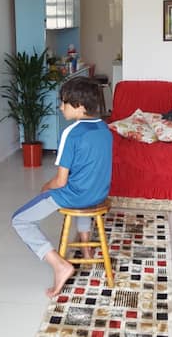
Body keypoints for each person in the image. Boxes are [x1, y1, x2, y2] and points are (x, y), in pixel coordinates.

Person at [11, 76, 113, 298]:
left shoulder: (71, 133)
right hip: (99, 194)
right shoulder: (105, 128)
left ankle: (59, 265)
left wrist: (45, 188)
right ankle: (86, 247)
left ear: (80, 106)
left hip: (76, 196)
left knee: (20, 220)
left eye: (64, 102)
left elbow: (61, 181)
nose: (60, 107)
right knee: (84, 192)